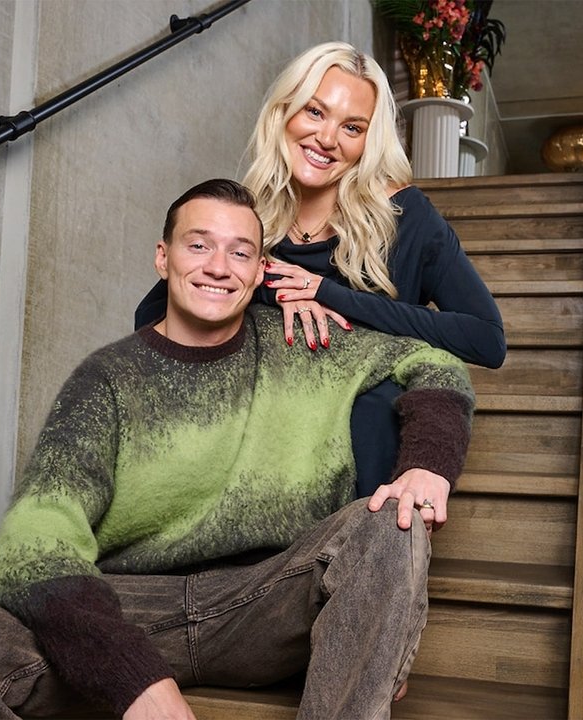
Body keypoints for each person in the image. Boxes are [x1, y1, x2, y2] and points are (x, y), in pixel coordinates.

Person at [0, 179, 475, 719]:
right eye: (199, 245)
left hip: (266, 602)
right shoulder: (107, 381)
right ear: (163, 258)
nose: (218, 267)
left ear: (260, 271)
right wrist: (134, 678)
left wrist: (428, 465)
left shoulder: (308, 344)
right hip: (129, 609)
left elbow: (434, 362)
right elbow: (33, 541)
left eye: (240, 253)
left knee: (390, 523)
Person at [135, 42, 504, 500]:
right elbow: (152, 316)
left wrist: (329, 294)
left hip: (360, 468)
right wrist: (269, 282)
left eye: (352, 127)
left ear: (369, 141)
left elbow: (486, 340)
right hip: (251, 460)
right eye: (315, 112)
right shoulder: (249, 216)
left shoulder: (405, 218)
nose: (327, 138)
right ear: (284, 113)